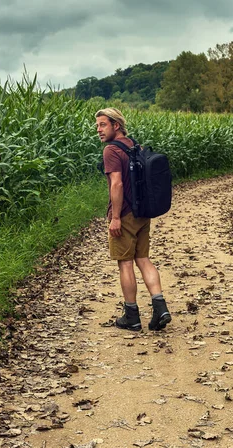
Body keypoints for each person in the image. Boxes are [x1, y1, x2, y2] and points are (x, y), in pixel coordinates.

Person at [95, 107, 171, 332]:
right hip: (142, 213)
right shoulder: (132, 145)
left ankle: (131, 316)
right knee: (144, 259)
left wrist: (115, 217)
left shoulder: (111, 150)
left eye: (103, 125)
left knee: (125, 263)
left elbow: (116, 184)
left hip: (125, 213)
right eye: (97, 126)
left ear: (115, 125)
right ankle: (160, 307)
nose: (98, 130)